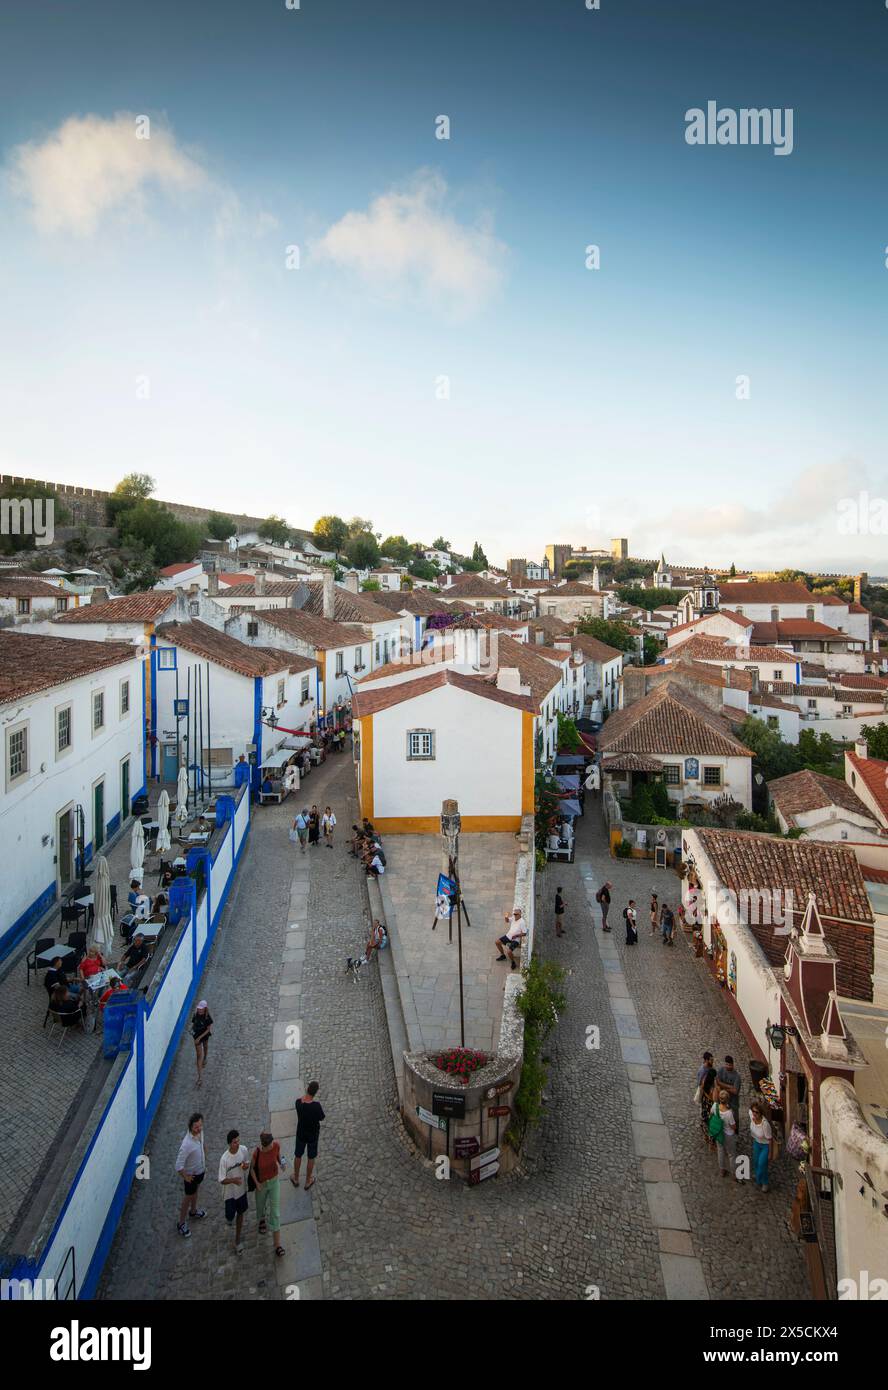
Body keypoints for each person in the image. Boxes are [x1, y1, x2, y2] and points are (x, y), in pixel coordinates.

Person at [251, 1131, 285, 1258]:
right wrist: (257, 1184)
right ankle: (262, 1219)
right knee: (260, 1206)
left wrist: (282, 1163)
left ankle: (277, 1245)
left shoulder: (276, 1145)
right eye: (269, 1145)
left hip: (274, 1181)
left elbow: (278, 1156)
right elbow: (252, 1170)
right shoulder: (257, 1154)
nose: (272, 1146)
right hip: (262, 1184)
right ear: (263, 1145)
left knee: (275, 1212)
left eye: (272, 1143)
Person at [218, 1129, 250, 1253]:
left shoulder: (243, 1150)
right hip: (229, 1194)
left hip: (241, 1191)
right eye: (235, 1142)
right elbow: (221, 1180)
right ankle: (229, 1218)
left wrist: (245, 1166)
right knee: (230, 1215)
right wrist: (233, 1180)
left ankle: (237, 1240)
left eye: (238, 1141)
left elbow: (246, 1163)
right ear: (230, 1144)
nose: (237, 1143)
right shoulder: (224, 1159)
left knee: (241, 1213)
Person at [175, 1112, 207, 1237]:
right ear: (190, 1127)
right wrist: (186, 1177)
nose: (199, 1129)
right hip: (191, 1176)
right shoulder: (186, 1144)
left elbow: (202, 1145)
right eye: (196, 1127)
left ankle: (193, 1211)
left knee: (196, 1191)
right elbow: (178, 1165)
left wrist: (205, 1155)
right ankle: (181, 1223)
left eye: (200, 1126)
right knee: (187, 1198)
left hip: (200, 1171)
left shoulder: (200, 1133)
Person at [291, 1082, 325, 1192]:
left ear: (307, 1089)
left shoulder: (298, 1103)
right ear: (315, 1092)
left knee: (298, 1155)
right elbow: (321, 1117)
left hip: (301, 1133)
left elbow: (302, 1100)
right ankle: (308, 1180)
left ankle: (295, 1178)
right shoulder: (316, 1106)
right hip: (312, 1135)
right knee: (311, 1157)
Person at [749, 1101, 774, 1193]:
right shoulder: (752, 1117)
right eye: (753, 1111)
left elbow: (770, 1140)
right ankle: (758, 1175)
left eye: (757, 1112)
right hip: (756, 1143)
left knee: (762, 1164)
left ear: (761, 1113)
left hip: (765, 1146)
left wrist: (770, 1153)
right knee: (756, 1162)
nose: (754, 1113)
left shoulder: (765, 1124)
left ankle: (764, 1182)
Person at [715, 1091, 739, 1180]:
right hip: (728, 1135)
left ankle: (722, 1170)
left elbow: (711, 1115)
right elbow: (733, 1126)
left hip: (719, 1132)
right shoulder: (729, 1113)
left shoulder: (715, 1107)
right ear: (728, 1100)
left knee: (720, 1151)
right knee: (731, 1154)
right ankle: (734, 1173)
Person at [717, 1055, 742, 1135]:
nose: (728, 1066)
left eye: (730, 1065)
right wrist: (729, 1086)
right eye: (727, 1064)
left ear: (733, 1064)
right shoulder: (721, 1070)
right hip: (723, 1100)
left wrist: (723, 1089)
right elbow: (717, 1082)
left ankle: (735, 1132)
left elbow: (735, 1091)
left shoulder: (737, 1076)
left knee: (735, 1118)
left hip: (733, 1102)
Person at [191, 1000, 213, 1087]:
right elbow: (193, 1024)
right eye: (198, 1009)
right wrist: (192, 1032)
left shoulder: (207, 1017)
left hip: (204, 1035)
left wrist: (200, 1037)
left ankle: (205, 1058)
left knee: (206, 1046)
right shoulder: (196, 1014)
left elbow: (208, 1029)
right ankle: (200, 1078)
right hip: (197, 1037)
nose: (199, 1010)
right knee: (199, 1056)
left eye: (201, 1009)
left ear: (204, 1009)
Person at [700, 1058, 719, 1146]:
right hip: (710, 1105)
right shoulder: (713, 1089)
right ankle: (711, 1142)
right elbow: (715, 1100)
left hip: (704, 1101)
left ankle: (705, 1136)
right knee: (711, 1123)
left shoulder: (704, 1081)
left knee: (705, 1119)